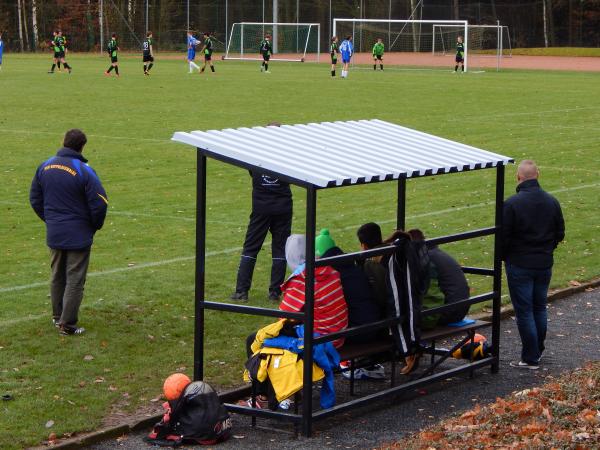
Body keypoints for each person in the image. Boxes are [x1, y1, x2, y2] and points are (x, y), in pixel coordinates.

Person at [29, 129, 108, 336]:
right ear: (82, 146)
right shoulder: (84, 170)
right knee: (75, 279)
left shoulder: (45, 166)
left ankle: (57, 317)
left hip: (55, 232)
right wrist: (93, 226)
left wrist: (51, 220)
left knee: (57, 275)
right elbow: (99, 203)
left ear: (63, 142)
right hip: (78, 234)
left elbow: (35, 199)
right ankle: (68, 324)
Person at [503, 160, 564, 370]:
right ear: (537, 175)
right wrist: (547, 249)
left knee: (525, 311)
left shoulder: (511, 204)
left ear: (518, 177)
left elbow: (504, 238)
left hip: (520, 263)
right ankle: (536, 350)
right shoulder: (551, 201)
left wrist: (507, 256)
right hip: (543, 263)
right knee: (539, 307)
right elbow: (560, 233)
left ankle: (530, 357)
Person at [230, 122, 292, 302]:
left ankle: (242, 292)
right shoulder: (288, 154)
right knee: (280, 250)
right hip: (283, 206)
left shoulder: (255, 153)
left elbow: (252, 172)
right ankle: (275, 293)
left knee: (250, 247)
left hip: (261, 208)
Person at [279, 229, 349, 348]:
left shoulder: (302, 280)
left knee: (260, 339)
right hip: (340, 335)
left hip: (322, 342)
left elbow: (283, 318)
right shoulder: (329, 269)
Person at [408, 229, 470, 328]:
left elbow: (430, 293)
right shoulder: (435, 253)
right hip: (460, 308)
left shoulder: (426, 259)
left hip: (450, 312)